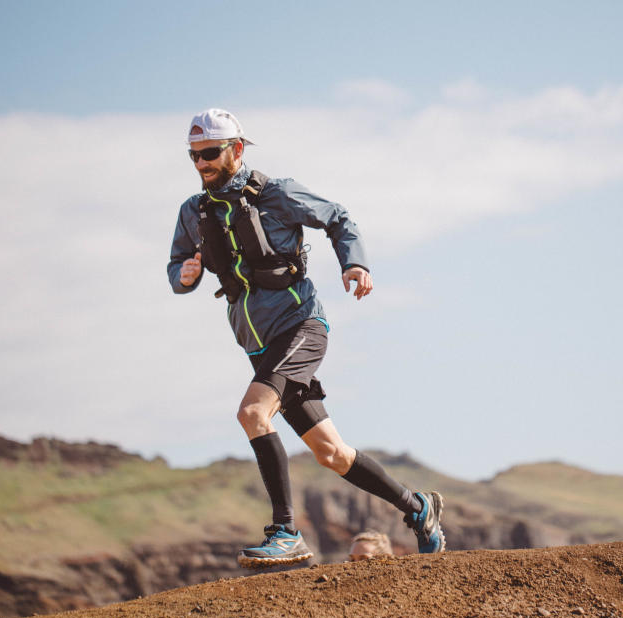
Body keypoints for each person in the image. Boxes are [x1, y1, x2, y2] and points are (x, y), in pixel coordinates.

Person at [167, 108, 445, 568]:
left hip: (300, 326)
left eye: (210, 153)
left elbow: (337, 216)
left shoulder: (275, 193)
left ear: (236, 150)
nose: (202, 164)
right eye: (193, 156)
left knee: (253, 412)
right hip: (257, 344)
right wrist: (187, 274)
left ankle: (286, 531)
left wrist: (355, 262)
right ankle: (418, 508)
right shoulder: (193, 212)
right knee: (331, 453)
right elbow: (176, 266)